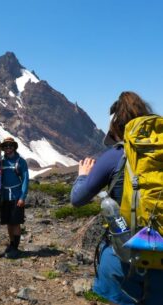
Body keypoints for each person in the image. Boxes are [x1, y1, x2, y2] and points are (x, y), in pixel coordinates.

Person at [71, 91, 163, 305]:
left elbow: (78, 199)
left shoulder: (115, 156)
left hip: (125, 261)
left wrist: (82, 176)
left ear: (116, 127)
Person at [0, 137, 29, 259]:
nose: (8, 148)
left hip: (17, 196)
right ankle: (11, 244)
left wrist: (22, 197)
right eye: (6, 146)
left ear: (14, 147)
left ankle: (16, 248)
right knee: (8, 223)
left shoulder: (21, 161)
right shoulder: (1, 161)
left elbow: (25, 180)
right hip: (5, 197)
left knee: (16, 223)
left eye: (10, 146)